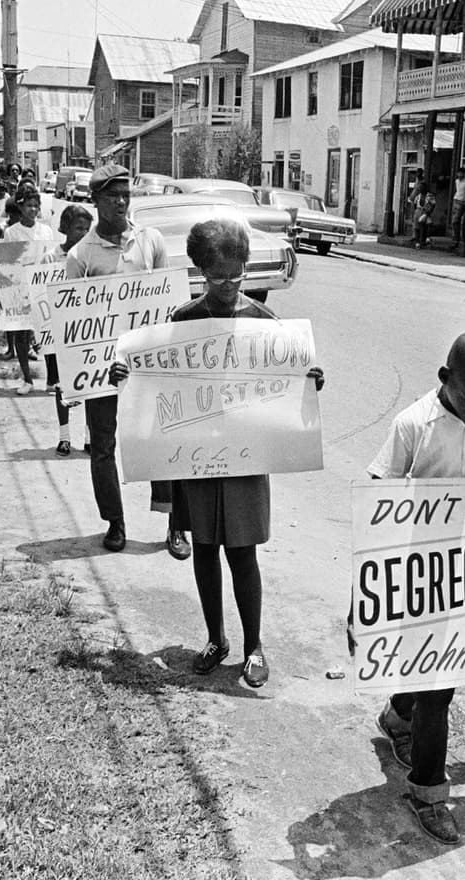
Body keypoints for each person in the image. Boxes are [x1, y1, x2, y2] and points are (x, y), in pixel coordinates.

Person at [134, 217, 323, 688]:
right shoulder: (182, 321)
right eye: (216, 277)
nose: (226, 286)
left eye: (236, 276)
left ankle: (253, 644)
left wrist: (309, 380)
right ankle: (216, 638)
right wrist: (129, 374)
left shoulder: (265, 324)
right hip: (195, 461)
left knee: (242, 553)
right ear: (199, 272)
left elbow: (290, 382)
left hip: (244, 459)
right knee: (204, 549)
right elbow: (158, 388)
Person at [370, 329, 465, 843]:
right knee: (440, 687)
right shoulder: (412, 424)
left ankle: (397, 715)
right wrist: (363, 594)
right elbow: (377, 506)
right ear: (444, 378)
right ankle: (429, 792)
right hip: (417, 569)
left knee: (438, 672)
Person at [65, 164, 191, 559]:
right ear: (96, 200)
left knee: (165, 437)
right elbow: (74, 323)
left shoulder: (150, 241)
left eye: (125, 195)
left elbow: (165, 302)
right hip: (102, 369)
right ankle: (114, 522)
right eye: (112, 196)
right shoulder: (81, 255)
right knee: (102, 446)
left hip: (148, 364)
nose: (121, 202)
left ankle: (175, 525)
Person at [41, 204, 93, 455]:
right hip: (60, 330)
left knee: (92, 384)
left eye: (86, 229)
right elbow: (41, 295)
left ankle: (89, 436)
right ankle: (64, 437)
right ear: (65, 228)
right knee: (62, 385)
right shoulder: (51, 257)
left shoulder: (92, 255)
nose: (82, 233)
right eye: (77, 228)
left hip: (89, 328)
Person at [0, 185, 57, 395]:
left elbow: (51, 260)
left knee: (48, 332)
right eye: (29, 205)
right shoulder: (11, 233)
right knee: (22, 334)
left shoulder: (46, 231)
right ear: (20, 207)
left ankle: (52, 379)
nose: (33, 210)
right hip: (19, 287)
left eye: (36, 206)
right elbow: (7, 264)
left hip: (42, 287)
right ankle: (27, 379)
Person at [449, 168, 465, 250]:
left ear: (464, 174)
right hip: (456, 200)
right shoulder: (456, 181)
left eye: (461, 173)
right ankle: (455, 238)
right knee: (454, 220)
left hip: (462, 202)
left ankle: (458, 239)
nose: (460, 175)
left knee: (456, 220)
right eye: (459, 173)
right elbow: (456, 190)